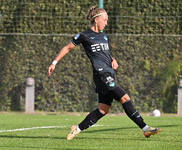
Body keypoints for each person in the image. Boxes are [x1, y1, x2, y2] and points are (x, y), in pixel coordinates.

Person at [48, 6, 161, 140]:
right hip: (101, 75)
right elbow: (67, 47)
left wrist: (113, 59)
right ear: (96, 20)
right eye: (105, 20)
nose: (106, 23)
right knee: (125, 97)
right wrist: (54, 63)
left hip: (109, 73)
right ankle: (145, 128)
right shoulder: (84, 36)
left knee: (103, 109)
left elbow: (104, 53)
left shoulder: (104, 36)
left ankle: (76, 129)